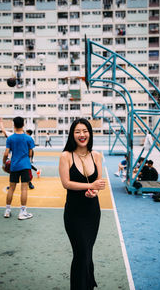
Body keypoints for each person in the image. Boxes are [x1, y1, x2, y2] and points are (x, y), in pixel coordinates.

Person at [59, 118, 105, 290]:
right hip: (74, 213)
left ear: (90, 133)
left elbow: (98, 182)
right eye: (77, 131)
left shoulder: (97, 155)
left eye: (85, 131)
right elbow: (66, 183)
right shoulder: (66, 156)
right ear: (72, 134)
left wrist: (94, 191)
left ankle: (87, 284)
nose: (82, 135)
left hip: (92, 212)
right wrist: (89, 185)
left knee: (88, 252)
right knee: (81, 253)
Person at [2, 116, 35, 220]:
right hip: (25, 165)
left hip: (14, 165)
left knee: (11, 188)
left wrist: (4, 164)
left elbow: (6, 153)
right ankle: (22, 212)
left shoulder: (10, 138)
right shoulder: (29, 138)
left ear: (14, 125)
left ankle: (7, 210)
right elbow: (30, 154)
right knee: (24, 189)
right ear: (23, 124)